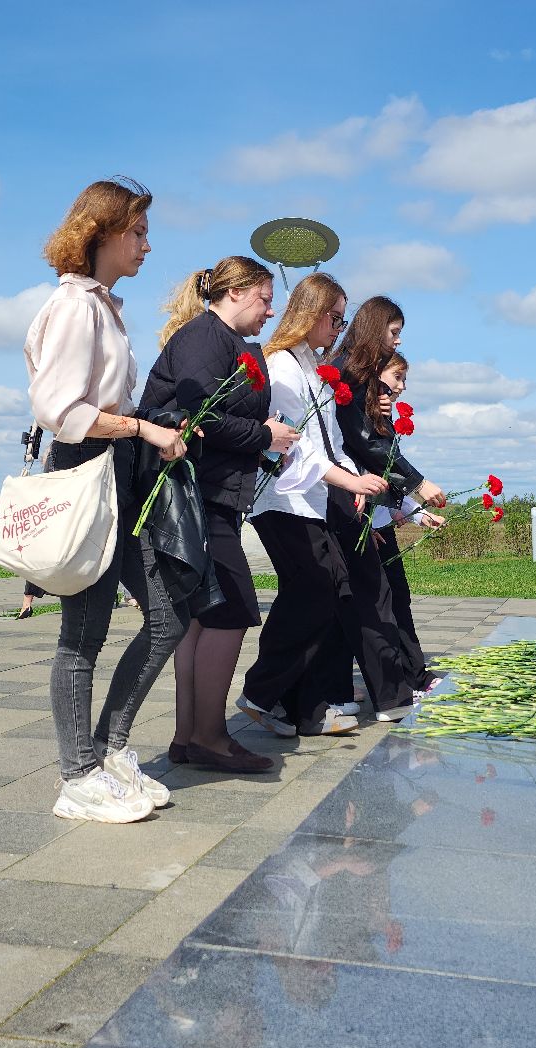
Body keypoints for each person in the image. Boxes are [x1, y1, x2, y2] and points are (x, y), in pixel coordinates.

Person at [24, 177, 189, 822]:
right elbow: (62, 411)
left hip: (115, 472)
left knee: (166, 613)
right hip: (87, 467)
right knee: (83, 632)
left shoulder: (103, 305)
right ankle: (77, 776)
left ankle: (109, 748)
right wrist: (141, 427)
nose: (147, 246)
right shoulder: (74, 307)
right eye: (139, 232)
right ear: (105, 232)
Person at [143, 255, 299, 773]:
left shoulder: (230, 344)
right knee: (231, 611)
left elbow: (222, 415)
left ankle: (189, 738)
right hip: (197, 497)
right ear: (234, 293)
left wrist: (262, 442)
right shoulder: (201, 337)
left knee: (201, 618)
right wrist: (265, 436)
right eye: (264, 297)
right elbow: (199, 413)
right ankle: (209, 737)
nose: (271, 310)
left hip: (214, 497)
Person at [239, 272, 382, 740]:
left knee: (327, 592)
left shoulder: (314, 369)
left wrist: (353, 483)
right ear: (311, 313)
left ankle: (299, 704)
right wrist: (350, 478)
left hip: (311, 499)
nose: (338, 328)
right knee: (318, 590)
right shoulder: (280, 366)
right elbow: (298, 449)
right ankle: (263, 692)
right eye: (334, 318)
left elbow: (332, 442)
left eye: (342, 320)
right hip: (281, 498)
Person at [332, 298, 444, 720]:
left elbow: (370, 443)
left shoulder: (357, 379)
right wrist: (417, 484)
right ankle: (387, 689)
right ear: (376, 328)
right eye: (393, 332)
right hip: (346, 499)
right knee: (363, 599)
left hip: (361, 502)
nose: (397, 340)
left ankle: (372, 688)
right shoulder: (348, 371)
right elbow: (362, 445)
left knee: (374, 597)